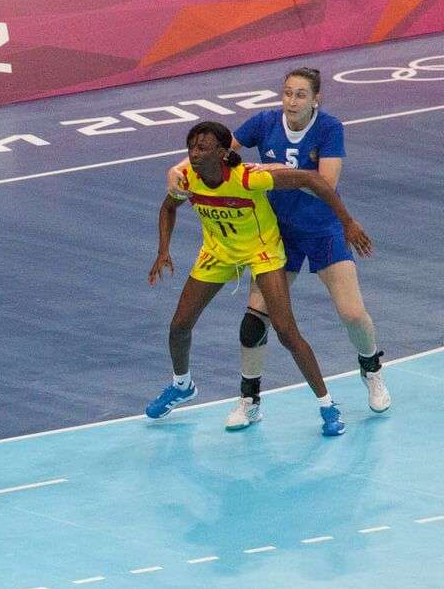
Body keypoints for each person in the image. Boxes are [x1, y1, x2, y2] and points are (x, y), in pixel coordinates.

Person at [147, 121, 372, 436]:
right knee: (179, 326)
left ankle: (327, 406)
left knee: (284, 330)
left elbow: (313, 180)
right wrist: (163, 251)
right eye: (191, 148)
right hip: (218, 253)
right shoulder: (188, 179)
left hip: (262, 252)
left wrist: (347, 222)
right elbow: (168, 208)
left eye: (202, 148)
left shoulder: (250, 178)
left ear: (223, 153)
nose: (193, 155)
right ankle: (182, 385)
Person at [226, 68, 391, 429]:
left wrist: (266, 171)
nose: (292, 101)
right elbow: (223, 154)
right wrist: (180, 169)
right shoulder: (264, 123)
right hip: (277, 234)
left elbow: (325, 181)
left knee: (352, 314)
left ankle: (371, 367)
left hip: (322, 229)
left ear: (316, 99)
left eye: (301, 95)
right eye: (287, 93)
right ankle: (249, 400)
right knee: (253, 322)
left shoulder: (329, 128)